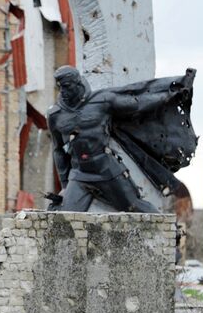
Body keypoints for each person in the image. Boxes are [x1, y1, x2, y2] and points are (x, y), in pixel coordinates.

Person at [47, 65, 189, 213]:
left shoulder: (102, 101)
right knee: (64, 219)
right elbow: (58, 151)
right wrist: (64, 186)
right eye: (60, 87)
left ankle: (170, 232)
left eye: (67, 86)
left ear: (78, 83)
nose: (63, 92)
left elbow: (137, 104)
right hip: (79, 175)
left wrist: (170, 94)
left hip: (107, 170)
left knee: (135, 206)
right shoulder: (55, 115)